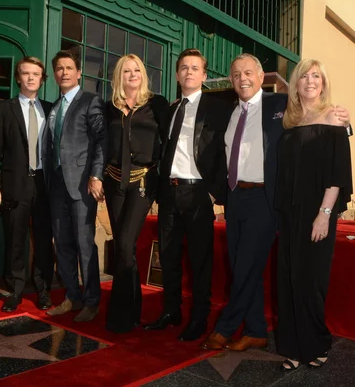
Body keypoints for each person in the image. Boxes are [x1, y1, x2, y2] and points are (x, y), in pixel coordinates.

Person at [200, 54, 351, 351]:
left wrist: (345, 122)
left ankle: (226, 326)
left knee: (245, 266)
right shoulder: (229, 112)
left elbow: (317, 121)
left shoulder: (279, 105)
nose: (242, 78)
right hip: (235, 198)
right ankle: (256, 330)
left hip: (265, 198)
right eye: (236, 74)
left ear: (260, 77)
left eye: (248, 73)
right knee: (242, 266)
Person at [143, 49, 233, 341]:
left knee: (199, 259)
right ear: (178, 74)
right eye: (184, 67)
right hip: (170, 191)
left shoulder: (217, 108)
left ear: (204, 76)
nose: (189, 72)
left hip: (198, 193)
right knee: (168, 256)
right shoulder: (170, 109)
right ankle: (172, 311)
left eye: (195, 68)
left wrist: (213, 193)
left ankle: (199, 317)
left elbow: (225, 152)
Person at [275, 59, 352, 370]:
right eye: (304, 76)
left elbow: (338, 173)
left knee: (312, 280)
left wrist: (324, 214)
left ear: (323, 83)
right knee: (289, 279)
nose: (309, 81)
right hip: (289, 211)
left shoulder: (334, 117)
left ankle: (317, 342)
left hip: (318, 210)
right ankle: (292, 346)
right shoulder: (289, 122)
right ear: (295, 83)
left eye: (315, 76)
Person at [103, 54, 169, 333]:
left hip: (143, 181)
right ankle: (131, 309)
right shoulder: (108, 108)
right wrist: (95, 175)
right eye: (127, 71)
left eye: (137, 70)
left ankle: (120, 314)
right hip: (113, 181)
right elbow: (99, 143)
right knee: (122, 245)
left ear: (143, 74)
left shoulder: (157, 104)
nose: (133, 74)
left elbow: (170, 140)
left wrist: (166, 179)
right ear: (119, 76)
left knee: (126, 242)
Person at [0, 56, 55, 313]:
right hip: (15, 184)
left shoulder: (50, 108)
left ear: (41, 78)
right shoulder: (4, 108)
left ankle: (43, 289)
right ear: (18, 77)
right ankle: (15, 290)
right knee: (15, 238)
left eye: (35, 74)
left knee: (43, 238)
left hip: (44, 184)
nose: (30, 78)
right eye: (25, 73)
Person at [43, 50, 106, 322]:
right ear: (55, 74)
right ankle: (72, 296)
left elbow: (102, 140)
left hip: (82, 185)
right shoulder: (54, 108)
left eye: (69, 68)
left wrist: (96, 174)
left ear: (79, 72)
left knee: (84, 243)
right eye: (59, 68)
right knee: (63, 243)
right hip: (56, 183)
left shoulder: (90, 101)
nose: (64, 72)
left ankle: (92, 301)